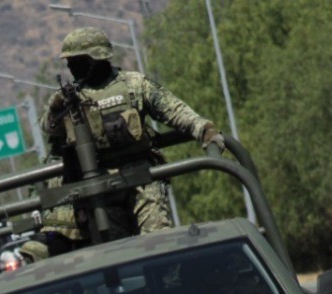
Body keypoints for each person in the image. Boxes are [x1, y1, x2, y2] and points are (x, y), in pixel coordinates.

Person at [40, 27, 224, 241]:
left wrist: (204, 130)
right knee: (112, 250)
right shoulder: (68, 99)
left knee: (159, 241)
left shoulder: (133, 85)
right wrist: (55, 108)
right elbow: (49, 129)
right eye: (69, 63)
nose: (71, 67)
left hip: (142, 177)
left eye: (77, 61)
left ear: (95, 58)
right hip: (98, 187)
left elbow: (173, 110)